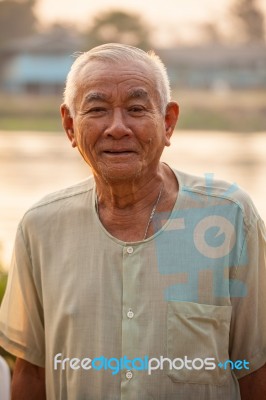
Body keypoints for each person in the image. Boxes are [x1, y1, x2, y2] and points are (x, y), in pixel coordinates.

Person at [0, 43, 265, 400]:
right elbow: (32, 372)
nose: (117, 127)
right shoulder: (40, 227)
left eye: (137, 109)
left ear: (168, 122)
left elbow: (257, 371)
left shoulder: (228, 217)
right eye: (97, 109)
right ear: (69, 125)